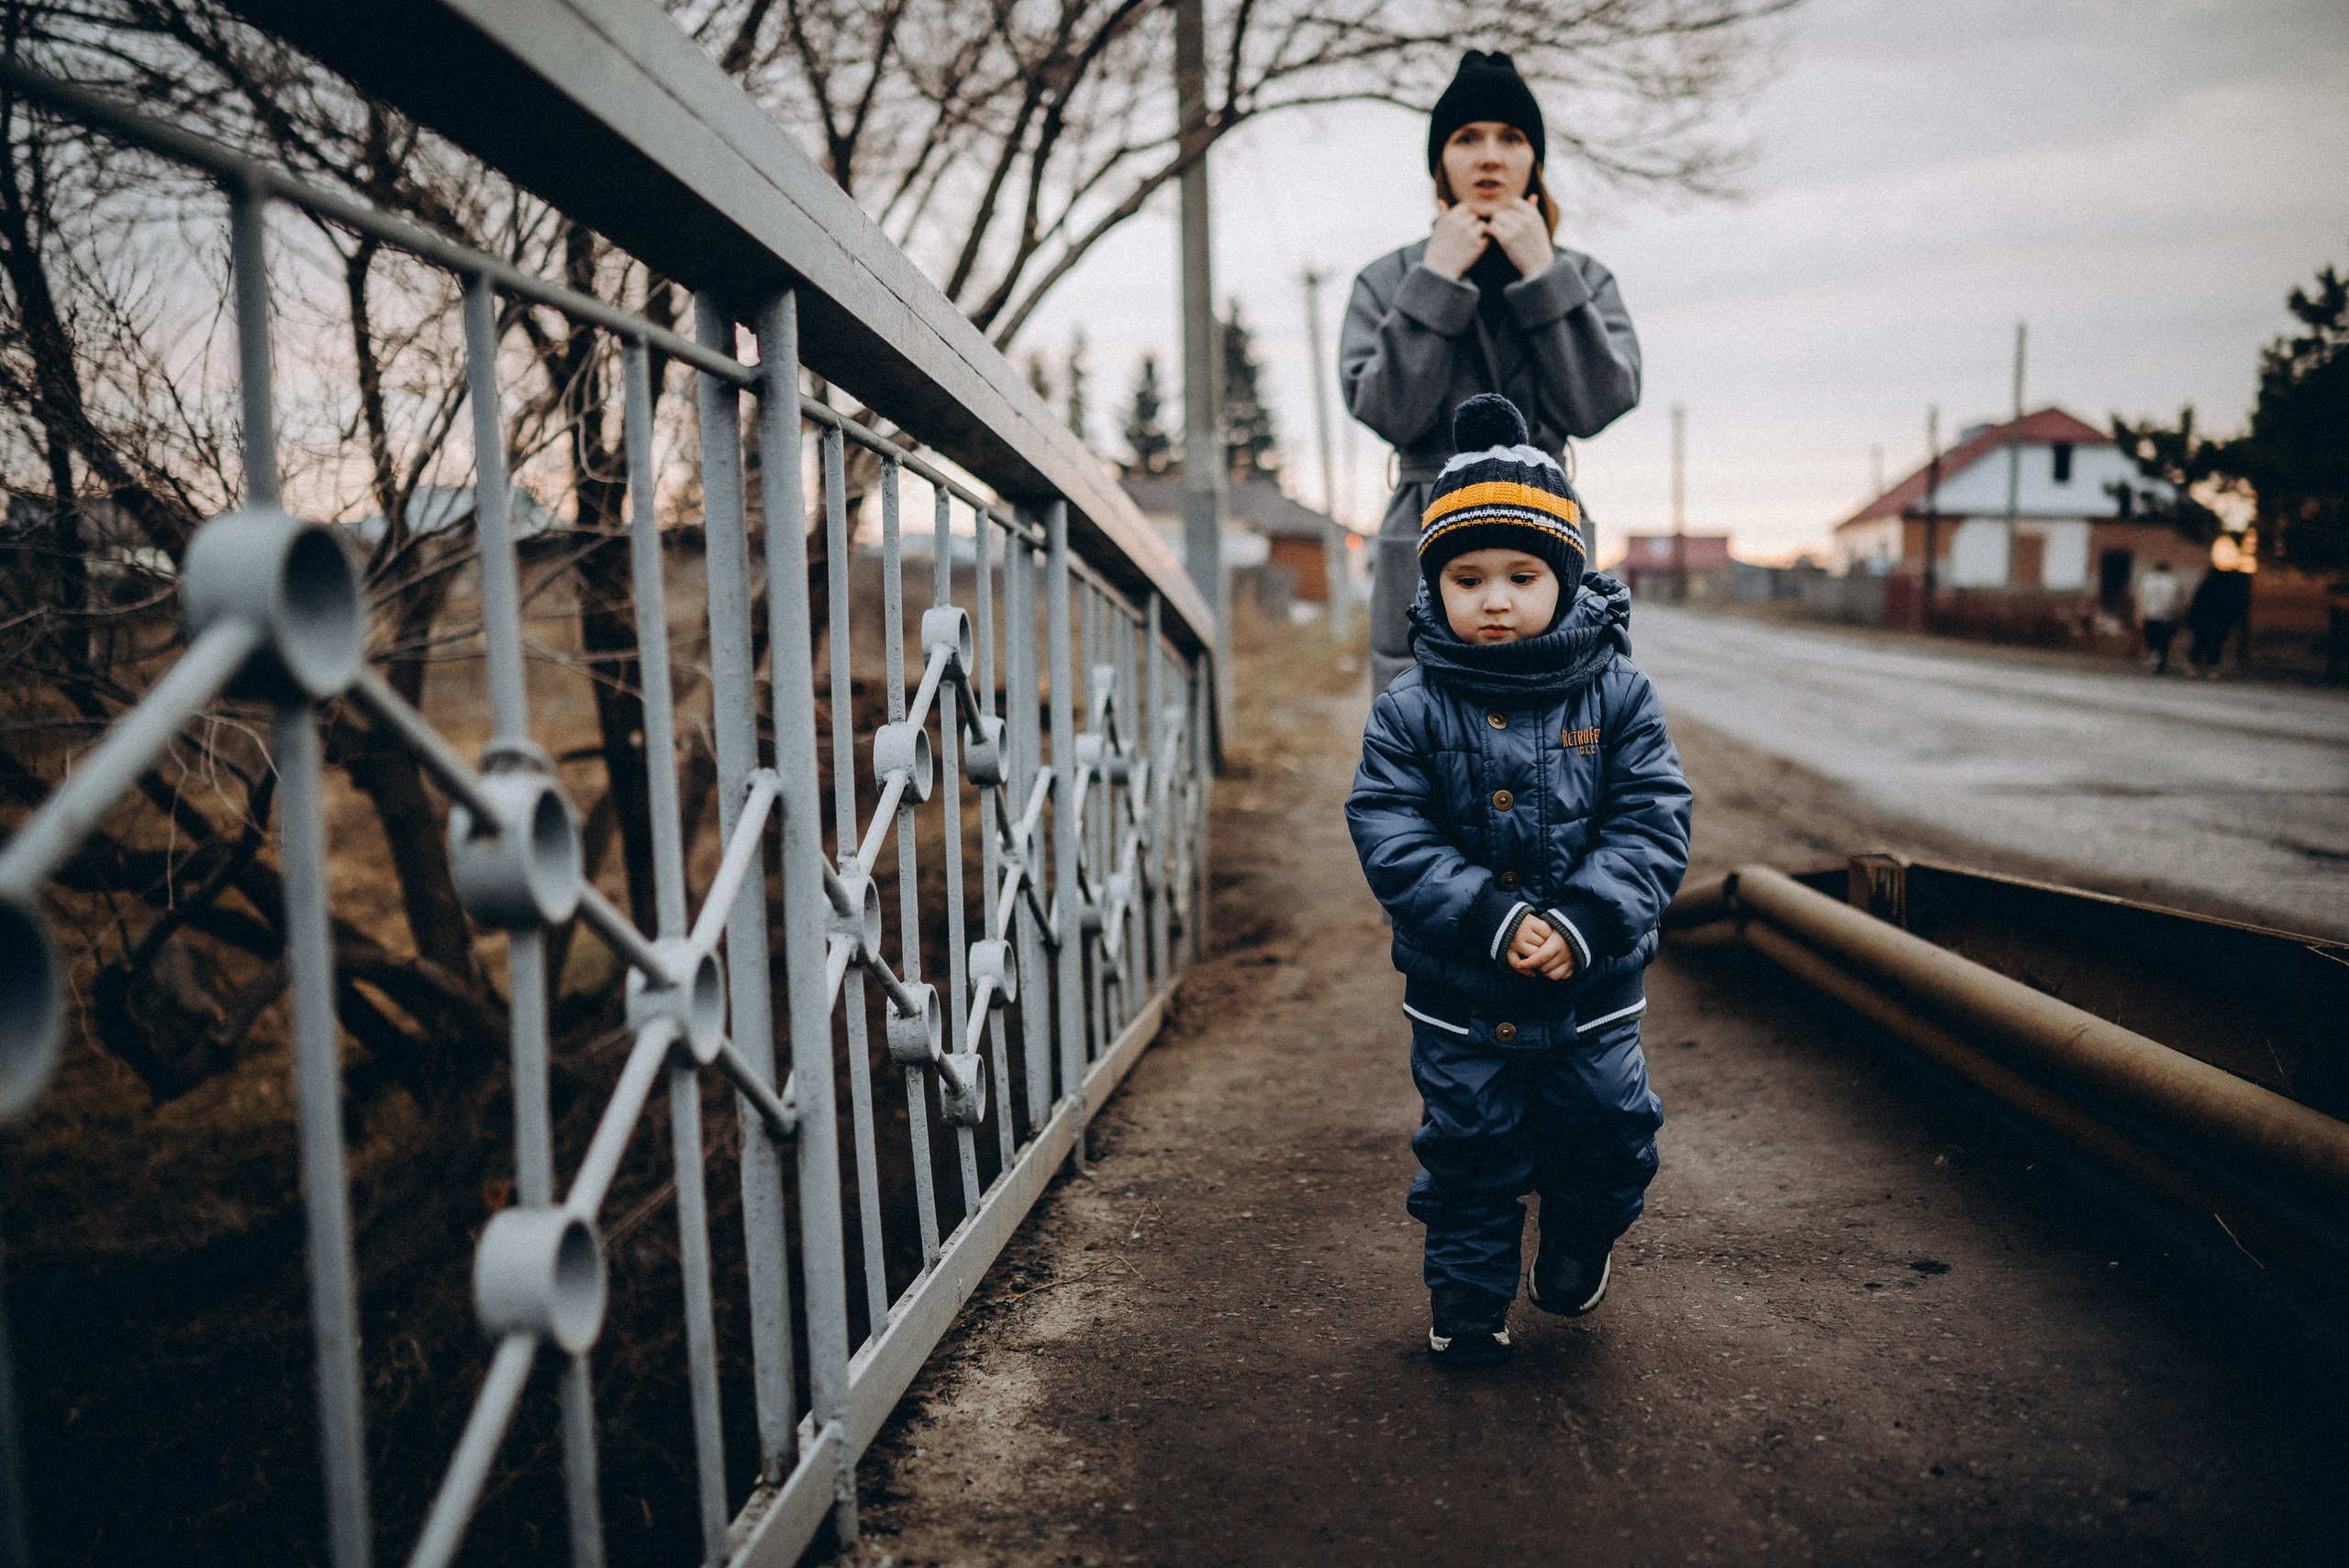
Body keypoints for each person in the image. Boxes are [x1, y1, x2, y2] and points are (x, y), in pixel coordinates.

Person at [1346, 395, 1690, 1366]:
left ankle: (1580, 1236)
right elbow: (1389, 826)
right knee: (1470, 1146)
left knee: (1612, 1132)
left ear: (1568, 578)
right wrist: (1494, 921)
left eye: (1521, 574)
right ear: (1435, 586)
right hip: (1463, 988)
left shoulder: (1617, 692)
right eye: (1467, 577)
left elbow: (1652, 815)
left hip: (1592, 985)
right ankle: (1465, 1296)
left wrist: (1581, 917)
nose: (1494, 598)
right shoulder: (1410, 707)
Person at [1340, 50, 1642, 698]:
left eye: (1511, 138)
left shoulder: (1582, 277)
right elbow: (1386, 411)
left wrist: (1544, 276)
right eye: (1466, 137)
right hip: (1425, 525)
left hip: (1547, 528)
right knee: (1421, 744)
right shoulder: (1388, 280)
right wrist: (1436, 281)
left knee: (1564, 738)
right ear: (1439, 161)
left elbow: (1600, 403)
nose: (1489, 156)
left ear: (1535, 158)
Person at [2137, 561, 2182, 673]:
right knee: (2163, 641)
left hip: (2150, 615)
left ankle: (2154, 658)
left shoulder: (2147, 581)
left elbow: (2141, 598)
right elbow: (2175, 600)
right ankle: (2160, 662)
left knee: (2151, 639)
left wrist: (2141, 613)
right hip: (2165, 616)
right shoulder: (2172, 581)